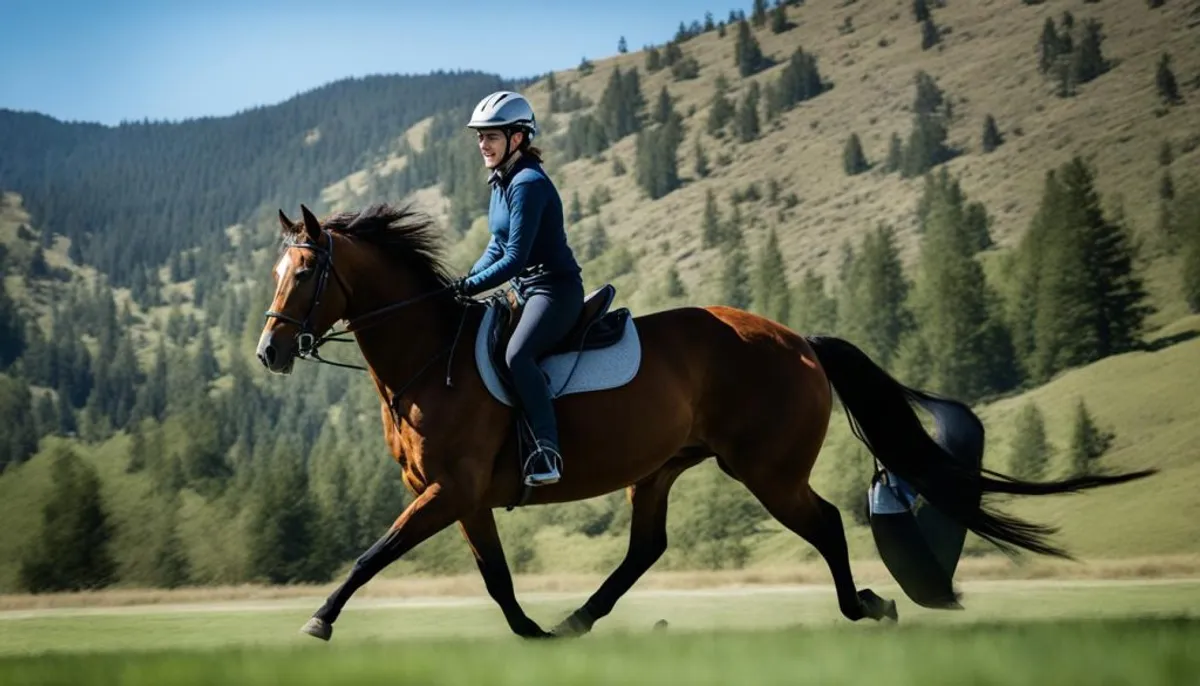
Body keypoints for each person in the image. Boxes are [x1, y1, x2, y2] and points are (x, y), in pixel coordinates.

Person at [453, 91, 584, 487]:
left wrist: (470, 286)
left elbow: (513, 259)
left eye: (491, 136)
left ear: (517, 138)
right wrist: (460, 284)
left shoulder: (527, 183)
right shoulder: (502, 180)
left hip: (553, 290)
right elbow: (496, 243)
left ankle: (547, 449)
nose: (482, 144)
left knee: (517, 356)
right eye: (479, 136)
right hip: (526, 291)